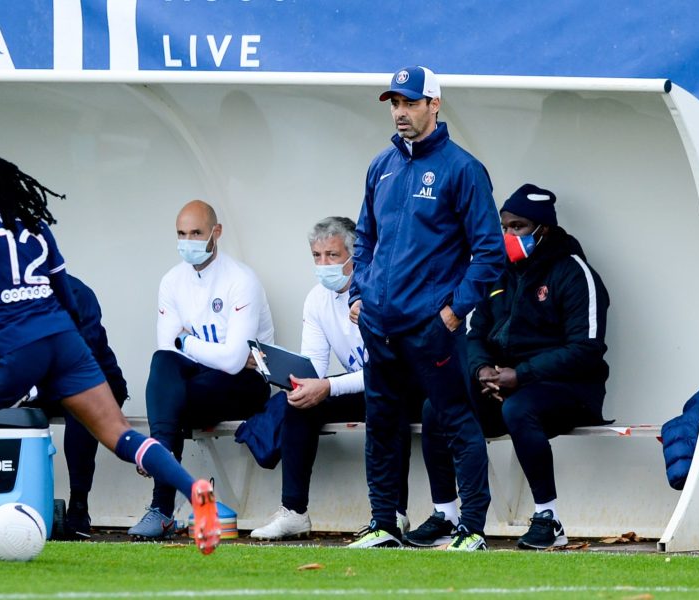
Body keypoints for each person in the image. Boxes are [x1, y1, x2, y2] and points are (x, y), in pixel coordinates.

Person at [0, 157, 220, 555]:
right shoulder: (35, 227)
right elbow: (66, 294)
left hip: (12, 348)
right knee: (119, 433)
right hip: (64, 340)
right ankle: (194, 490)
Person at [348, 66, 505, 550]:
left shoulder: (463, 169)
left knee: (456, 421)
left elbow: (489, 253)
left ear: (434, 105)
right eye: (395, 104)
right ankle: (384, 524)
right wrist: (360, 293)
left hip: (431, 328)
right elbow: (365, 237)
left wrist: (454, 312)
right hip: (380, 326)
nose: (400, 113)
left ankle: (472, 529)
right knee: (382, 426)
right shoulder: (381, 166)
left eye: (410, 103)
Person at [414, 184, 610, 550]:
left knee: (520, 407)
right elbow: (476, 334)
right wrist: (481, 371)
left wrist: (522, 374)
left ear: (543, 229)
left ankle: (548, 519)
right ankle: (446, 514)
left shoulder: (574, 272)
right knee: (436, 406)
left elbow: (587, 348)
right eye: (503, 227)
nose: (508, 235)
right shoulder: (499, 272)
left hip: (568, 390)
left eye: (517, 226)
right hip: (503, 384)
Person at [249, 217, 417, 541]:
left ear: (355, 255)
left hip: (404, 388)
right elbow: (316, 368)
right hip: (364, 387)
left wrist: (326, 386)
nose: (323, 264)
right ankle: (294, 513)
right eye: (317, 256)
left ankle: (393, 513)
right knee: (300, 402)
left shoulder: (381, 290)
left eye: (332, 255)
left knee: (385, 401)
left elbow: (386, 373)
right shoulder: (316, 299)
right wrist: (295, 378)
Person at [129, 199, 275, 540]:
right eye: (181, 233)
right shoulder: (171, 281)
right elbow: (167, 349)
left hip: (247, 384)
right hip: (198, 384)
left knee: (172, 398)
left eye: (196, 232)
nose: (188, 240)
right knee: (161, 364)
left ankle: (159, 496)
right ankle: (161, 459)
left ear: (216, 233)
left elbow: (234, 363)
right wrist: (207, 351)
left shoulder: (241, 280)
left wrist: (188, 343)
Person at [21, 273, 129, 539]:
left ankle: (79, 505)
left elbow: (81, 357)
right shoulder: (8, 294)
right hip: (45, 384)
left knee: (80, 406)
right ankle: (14, 498)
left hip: (97, 381)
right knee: (9, 415)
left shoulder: (77, 294)